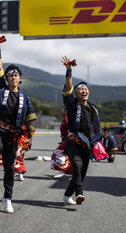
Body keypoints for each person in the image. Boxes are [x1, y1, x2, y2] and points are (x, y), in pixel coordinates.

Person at [0, 35, 37, 213]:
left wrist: (29, 135)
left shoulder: (25, 97)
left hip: (13, 132)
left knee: (10, 167)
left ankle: (7, 198)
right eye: (10, 75)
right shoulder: (0, 88)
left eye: (15, 75)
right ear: (6, 78)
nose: (13, 77)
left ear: (20, 78)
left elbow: (29, 118)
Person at [61, 56, 101, 205]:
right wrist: (69, 70)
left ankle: (67, 195)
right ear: (76, 94)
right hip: (73, 142)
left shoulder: (93, 108)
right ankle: (79, 193)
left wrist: (96, 142)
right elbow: (68, 88)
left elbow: (96, 127)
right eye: (80, 89)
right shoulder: (72, 104)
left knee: (81, 174)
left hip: (87, 144)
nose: (84, 90)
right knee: (77, 167)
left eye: (86, 88)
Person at [51, 105, 72, 178]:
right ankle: (65, 171)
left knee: (57, 153)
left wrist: (66, 141)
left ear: (66, 111)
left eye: (62, 110)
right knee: (68, 156)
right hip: (65, 140)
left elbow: (70, 131)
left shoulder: (67, 119)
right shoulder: (65, 119)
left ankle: (62, 170)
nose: (60, 111)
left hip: (68, 140)